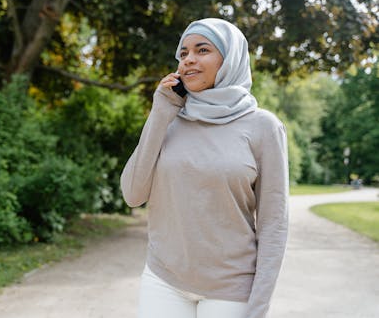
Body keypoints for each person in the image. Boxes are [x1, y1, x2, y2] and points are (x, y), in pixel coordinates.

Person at [120, 18, 289, 318]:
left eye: (202, 50)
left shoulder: (263, 127)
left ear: (230, 59)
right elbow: (133, 194)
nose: (189, 60)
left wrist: (258, 307)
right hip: (164, 280)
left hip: (231, 289)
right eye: (183, 53)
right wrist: (159, 113)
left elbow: (273, 226)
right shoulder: (169, 117)